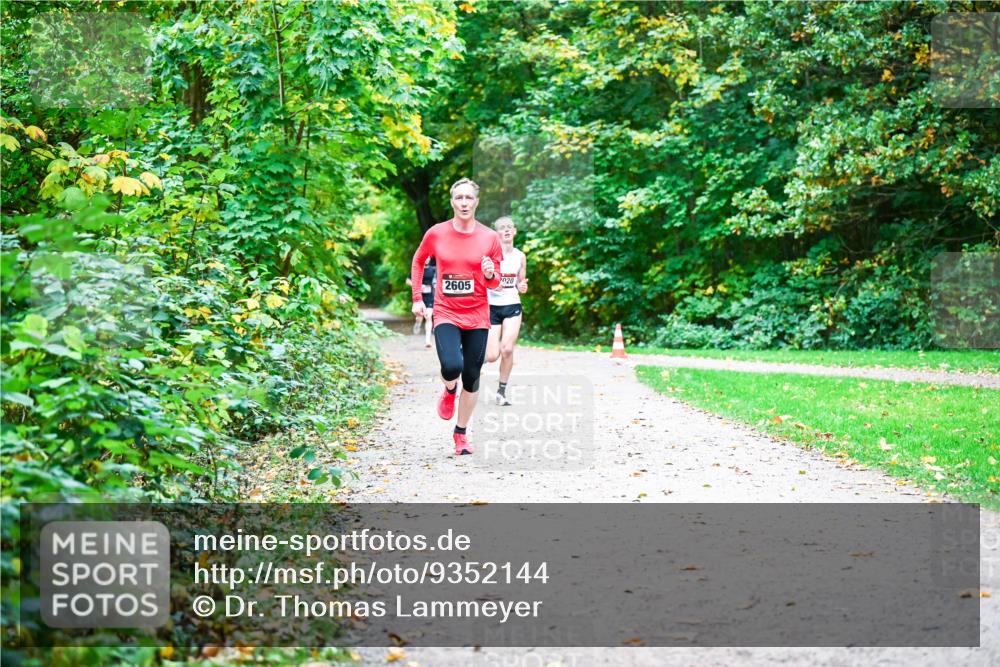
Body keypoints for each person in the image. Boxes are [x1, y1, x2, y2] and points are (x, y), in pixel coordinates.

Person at [411, 178, 504, 455]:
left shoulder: (490, 238)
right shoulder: (436, 234)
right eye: (459, 198)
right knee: (452, 365)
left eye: (469, 198)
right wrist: (417, 297)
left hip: (477, 314)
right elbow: (418, 260)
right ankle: (449, 390)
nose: (464, 203)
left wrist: (490, 273)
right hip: (446, 312)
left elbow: (496, 282)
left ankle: (461, 434)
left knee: (473, 376)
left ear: (476, 202)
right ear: (452, 202)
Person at [485, 216, 528, 406]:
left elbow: (520, 282)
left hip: (512, 305)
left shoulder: (520, 256)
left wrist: (522, 286)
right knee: (492, 356)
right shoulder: (489, 256)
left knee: (507, 349)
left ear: (515, 231)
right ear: (496, 233)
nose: (507, 230)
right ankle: (473, 361)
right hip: (491, 307)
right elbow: (481, 280)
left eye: (510, 227)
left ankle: (501, 392)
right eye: (502, 228)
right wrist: (492, 285)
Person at [410, 257, 436, 347]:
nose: (426, 259)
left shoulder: (433, 269)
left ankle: (427, 340)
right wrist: (419, 286)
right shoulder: (417, 268)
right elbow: (408, 280)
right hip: (420, 297)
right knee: (420, 317)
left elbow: (437, 280)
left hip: (430, 296)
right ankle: (418, 322)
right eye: (425, 257)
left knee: (428, 316)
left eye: (428, 257)